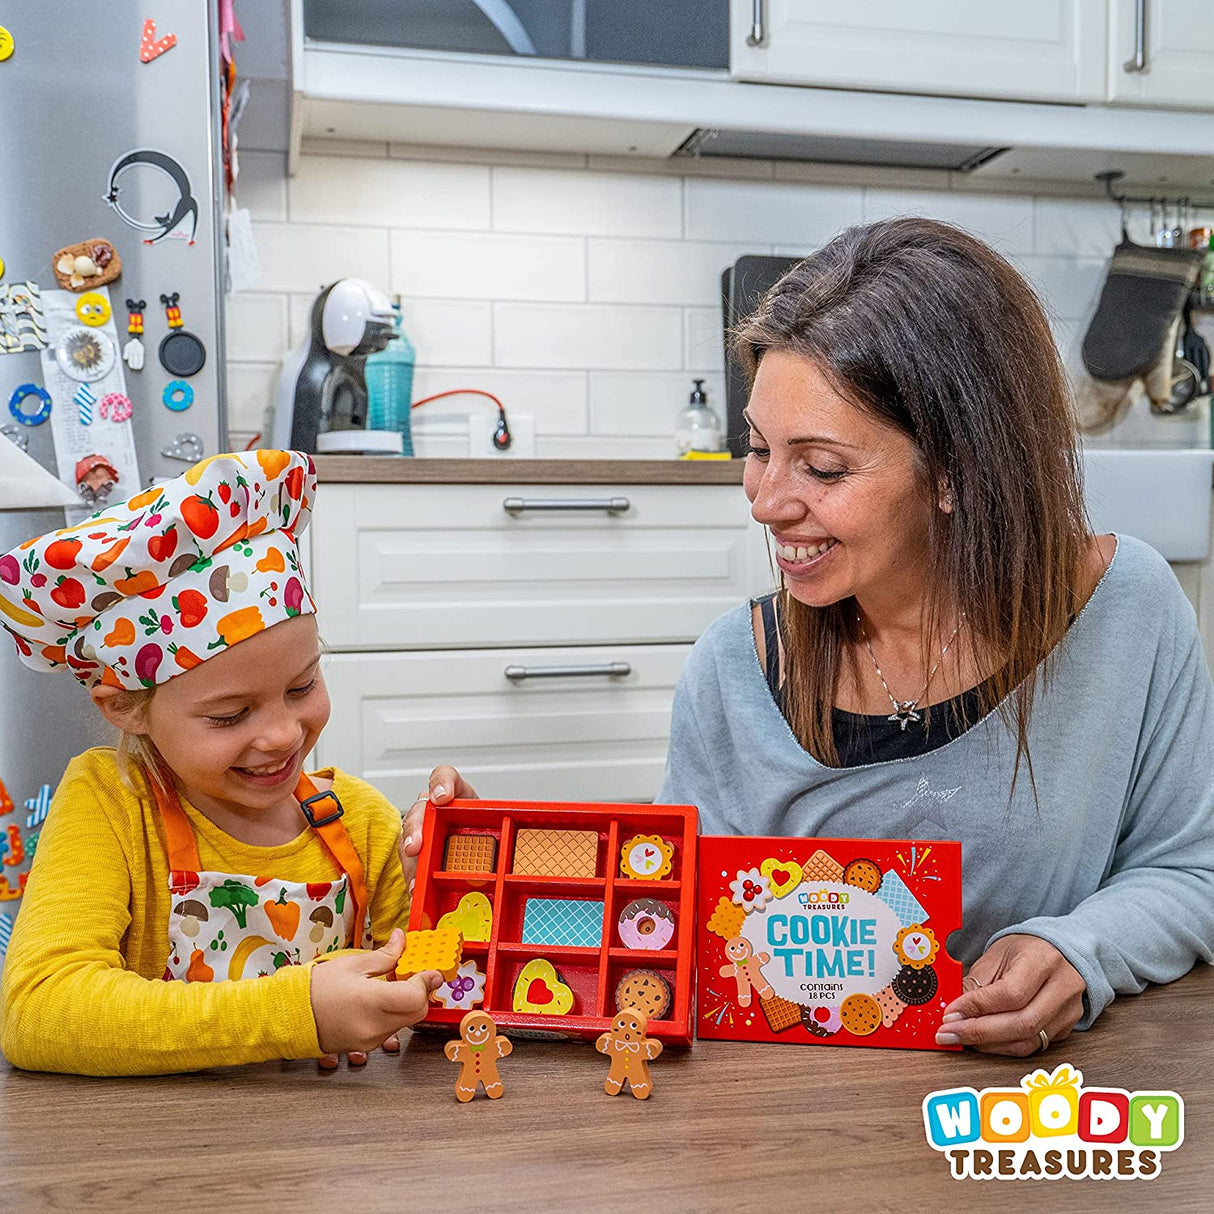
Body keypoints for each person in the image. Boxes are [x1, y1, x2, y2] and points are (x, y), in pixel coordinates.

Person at [401, 218, 1214, 1059]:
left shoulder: (1129, 608)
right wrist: (483, 862)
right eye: (758, 449)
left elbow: (1193, 871)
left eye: (822, 468)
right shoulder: (734, 668)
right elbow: (668, 924)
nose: (764, 501)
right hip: (792, 1111)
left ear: (957, 471)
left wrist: (1079, 952)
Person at [0, 451, 442, 1076]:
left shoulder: (360, 820)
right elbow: (38, 1010)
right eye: (231, 715)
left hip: (334, 1135)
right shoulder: (111, 804)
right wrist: (296, 1013)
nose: (284, 734)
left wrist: (459, 863)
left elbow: (445, 985)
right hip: (161, 1138)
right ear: (125, 708)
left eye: (302, 686)